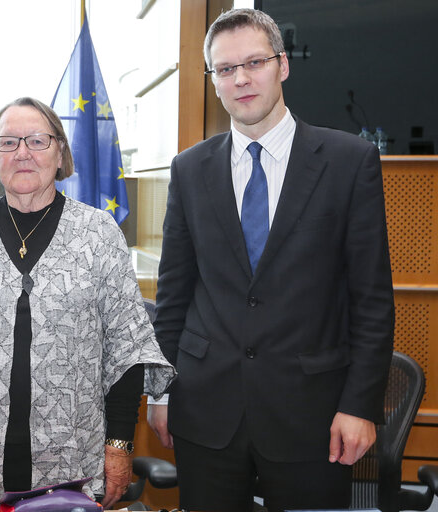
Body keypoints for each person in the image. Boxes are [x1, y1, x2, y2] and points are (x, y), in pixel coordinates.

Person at [147, 8, 395, 512]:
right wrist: (160, 392)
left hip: (314, 418)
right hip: (206, 412)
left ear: (283, 65)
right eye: (225, 69)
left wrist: (358, 406)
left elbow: (371, 300)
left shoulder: (349, 163)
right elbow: (173, 295)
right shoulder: (190, 169)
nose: (240, 79)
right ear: (213, 80)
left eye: (254, 62)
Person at [0, 97, 175, 511]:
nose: (22, 153)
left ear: (60, 151)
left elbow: (127, 350)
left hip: (71, 457)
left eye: (37, 140)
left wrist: (119, 445)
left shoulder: (98, 233)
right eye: (8, 142)